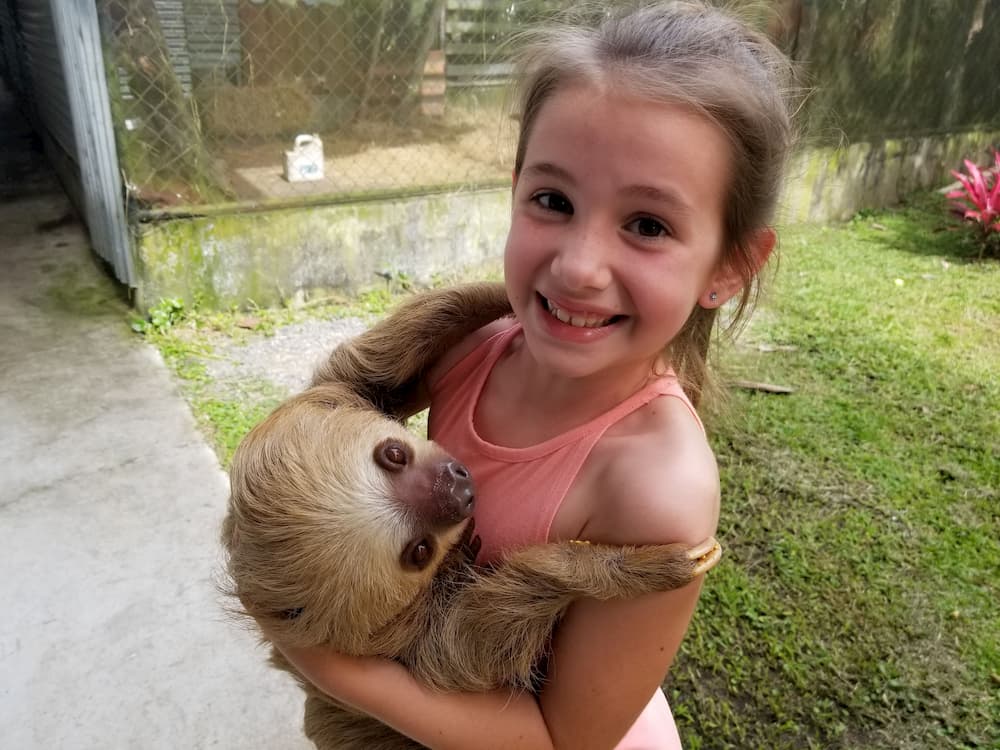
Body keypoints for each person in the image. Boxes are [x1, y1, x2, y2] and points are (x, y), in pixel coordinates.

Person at [278, 2, 795, 747]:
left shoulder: (657, 485)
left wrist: (338, 671)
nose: (578, 267)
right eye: (553, 201)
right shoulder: (468, 347)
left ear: (729, 266)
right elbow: (334, 403)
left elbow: (565, 739)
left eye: (647, 225)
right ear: (515, 187)